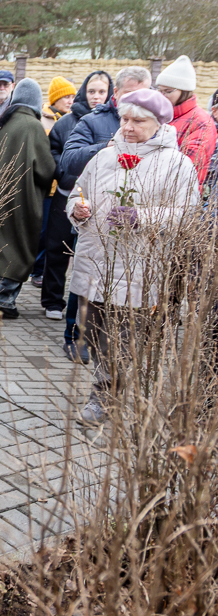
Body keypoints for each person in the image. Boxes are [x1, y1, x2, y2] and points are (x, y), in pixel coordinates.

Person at [67, 89, 199, 426]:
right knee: (94, 332)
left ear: (157, 124)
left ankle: (105, 396)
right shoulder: (104, 157)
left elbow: (186, 214)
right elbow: (76, 193)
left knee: (121, 337)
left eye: (137, 121)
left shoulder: (176, 163)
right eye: (124, 119)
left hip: (138, 266)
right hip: (96, 260)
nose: (127, 127)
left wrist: (142, 216)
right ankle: (113, 386)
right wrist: (78, 210)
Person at [45, 72, 112, 360]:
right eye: (92, 91)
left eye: (102, 91)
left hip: (101, 205)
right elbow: (57, 155)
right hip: (67, 194)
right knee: (58, 250)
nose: (96, 96)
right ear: (84, 92)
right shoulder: (69, 121)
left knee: (87, 263)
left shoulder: (119, 122)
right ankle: (52, 300)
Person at [0, 79, 56, 319]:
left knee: (1, 244)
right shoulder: (33, 126)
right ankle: (0, 297)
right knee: (20, 247)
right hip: (23, 198)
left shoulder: (7, 123)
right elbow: (45, 169)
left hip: (0, 196)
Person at [61, 66, 152, 181]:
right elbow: (69, 162)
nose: (137, 100)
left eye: (142, 94)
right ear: (116, 92)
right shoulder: (91, 121)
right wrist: (105, 147)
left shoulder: (157, 124)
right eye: (129, 94)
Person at [31, 76, 78, 289]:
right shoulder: (44, 120)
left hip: (62, 187)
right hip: (45, 188)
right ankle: (37, 270)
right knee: (42, 233)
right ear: (55, 99)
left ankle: (42, 271)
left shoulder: (76, 121)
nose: (70, 101)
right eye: (65, 97)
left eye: (72, 96)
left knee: (55, 235)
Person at [154, 55, 217, 188]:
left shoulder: (201, 122)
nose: (162, 96)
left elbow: (189, 167)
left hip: (178, 194)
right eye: (159, 91)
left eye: (168, 91)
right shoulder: (160, 116)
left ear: (184, 91)